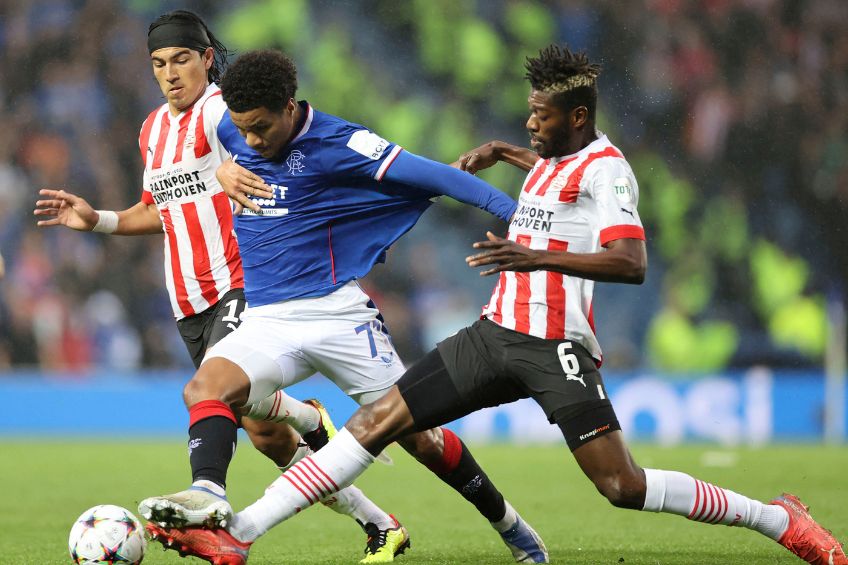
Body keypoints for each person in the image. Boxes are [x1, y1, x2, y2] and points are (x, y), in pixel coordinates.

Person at [153, 45, 847, 565]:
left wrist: (534, 254)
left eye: (538, 116)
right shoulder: (551, 155)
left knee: (621, 485)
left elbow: (632, 262)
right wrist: (508, 153)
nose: (528, 121)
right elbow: (546, 171)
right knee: (375, 423)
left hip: (557, 347)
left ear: (575, 118)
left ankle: (776, 518)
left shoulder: (608, 172)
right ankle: (239, 531)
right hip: (491, 334)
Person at [141, 48, 549, 565]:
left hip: (337, 316)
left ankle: (507, 522)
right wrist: (222, 171)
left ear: (289, 107)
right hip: (267, 319)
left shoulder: (342, 142)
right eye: (242, 131)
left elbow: (438, 178)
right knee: (204, 388)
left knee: (421, 440)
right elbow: (204, 165)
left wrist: (521, 218)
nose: (251, 142)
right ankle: (209, 495)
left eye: (261, 129)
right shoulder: (233, 133)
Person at [32, 10, 407, 562]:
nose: (170, 73)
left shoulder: (223, 114)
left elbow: (268, 156)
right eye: (159, 64)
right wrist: (99, 221)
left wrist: (237, 166)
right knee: (268, 438)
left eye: (181, 59)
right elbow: (161, 208)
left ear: (206, 58)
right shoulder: (151, 130)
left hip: (241, 284)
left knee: (222, 397)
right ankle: (378, 521)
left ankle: (208, 495)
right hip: (187, 302)